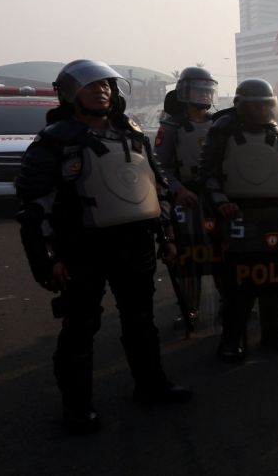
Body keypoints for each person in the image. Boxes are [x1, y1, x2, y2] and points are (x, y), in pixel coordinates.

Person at [15, 60, 191, 433]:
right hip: (81, 247)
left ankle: (151, 385)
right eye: (91, 86)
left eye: (107, 85)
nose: (102, 91)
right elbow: (34, 205)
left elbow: (155, 188)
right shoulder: (55, 140)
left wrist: (168, 237)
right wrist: (46, 261)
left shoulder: (131, 132)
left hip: (135, 243)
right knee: (80, 327)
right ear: (68, 94)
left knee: (141, 321)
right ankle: (77, 408)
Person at [201, 79, 278, 361]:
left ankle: (273, 332)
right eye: (255, 104)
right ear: (242, 105)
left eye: (265, 104)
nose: (261, 109)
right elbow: (207, 173)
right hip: (239, 213)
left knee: (274, 278)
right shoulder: (223, 129)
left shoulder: (275, 131)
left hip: (274, 215)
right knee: (239, 283)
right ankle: (231, 339)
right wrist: (221, 202)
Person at [154, 66, 219, 327]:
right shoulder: (170, 127)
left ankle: (231, 304)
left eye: (207, 90)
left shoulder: (219, 124)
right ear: (184, 92)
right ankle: (190, 308)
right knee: (189, 258)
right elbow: (159, 166)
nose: (203, 96)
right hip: (186, 199)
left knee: (221, 253)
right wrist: (178, 189)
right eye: (198, 90)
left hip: (214, 197)